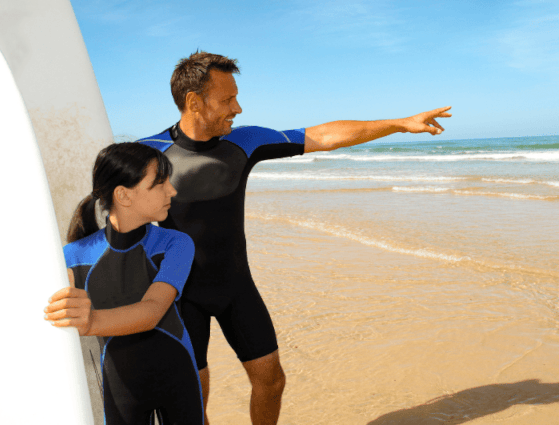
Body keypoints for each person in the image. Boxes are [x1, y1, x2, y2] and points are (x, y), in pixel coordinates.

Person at [138, 51, 452, 425]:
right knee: (193, 394)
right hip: (180, 294)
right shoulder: (147, 154)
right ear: (194, 101)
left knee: (271, 381)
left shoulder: (244, 143)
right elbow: (104, 216)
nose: (237, 108)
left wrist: (401, 124)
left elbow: (322, 136)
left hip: (235, 286)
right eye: (227, 99)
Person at [44, 142, 204, 425]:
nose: (172, 190)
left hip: (178, 376)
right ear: (123, 195)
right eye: (159, 183)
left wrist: (89, 322)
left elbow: (153, 311)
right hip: (120, 389)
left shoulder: (176, 244)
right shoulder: (73, 257)